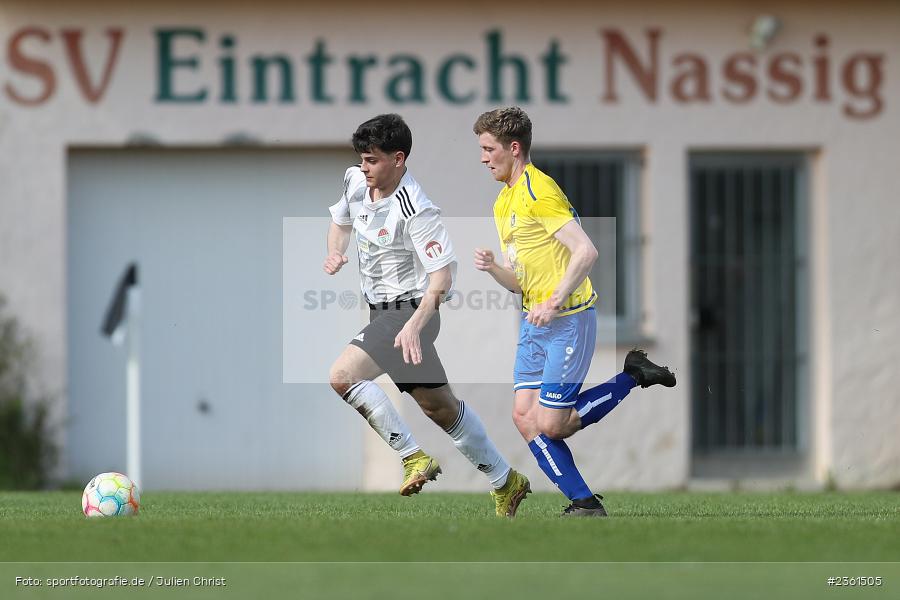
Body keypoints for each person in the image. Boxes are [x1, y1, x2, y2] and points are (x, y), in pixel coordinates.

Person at [472, 107, 676, 517]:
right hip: (535, 323)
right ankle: (583, 503)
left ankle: (633, 375)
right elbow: (521, 280)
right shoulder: (503, 201)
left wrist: (554, 300)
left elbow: (587, 251)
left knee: (552, 424)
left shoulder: (539, 191)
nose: (483, 157)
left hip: (568, 320)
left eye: (488, 148)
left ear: (514, 148)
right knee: (524, 417)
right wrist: (496, 269)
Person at [325, 113, 530, 517]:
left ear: (398, 159)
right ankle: (506, 481)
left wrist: (416, 325)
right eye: (362, 159)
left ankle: (412, 458)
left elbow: (442, 277)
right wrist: (336, 250)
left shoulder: (417, 209)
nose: (364, 168)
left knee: (342, 377)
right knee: (441, 408)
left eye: (373, 161)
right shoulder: (354, 180)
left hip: (412, 311)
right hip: (382, 313)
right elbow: (340, 220)